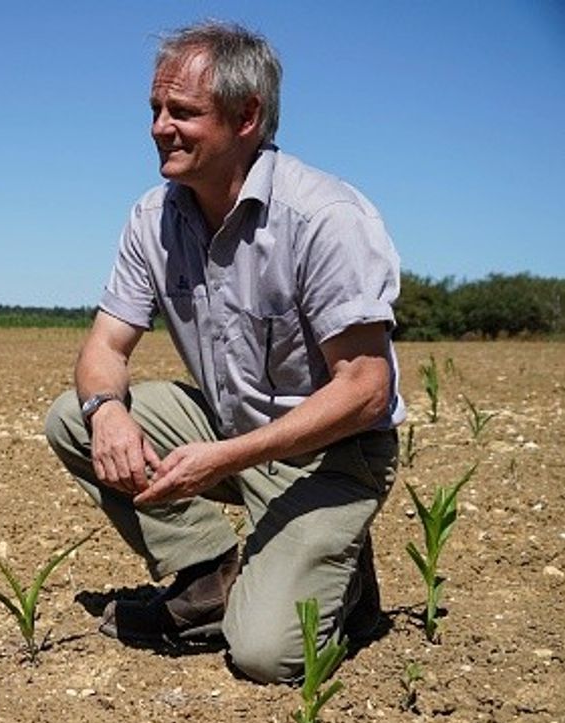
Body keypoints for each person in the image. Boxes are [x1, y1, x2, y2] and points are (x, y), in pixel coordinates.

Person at [44, 20, 404, 684]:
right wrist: (107, 412)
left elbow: (366, 388)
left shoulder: (324, 217)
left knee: (267, 655)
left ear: (246, 116)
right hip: (231, 431)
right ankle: (211, 576)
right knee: (73, 415)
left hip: (332, 455)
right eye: (155, 109)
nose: (159, 127)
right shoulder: (154, 217)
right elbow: (104, 344)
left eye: (182, 111)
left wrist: (226, 459)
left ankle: (346, 583)